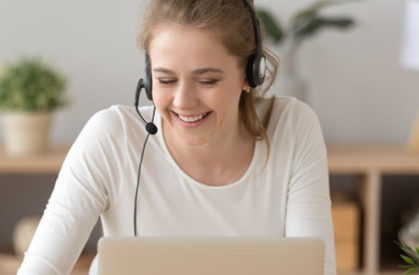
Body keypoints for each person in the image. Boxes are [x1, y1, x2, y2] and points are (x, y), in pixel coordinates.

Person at [17, 0, 337, 274]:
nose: (183, 101)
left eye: (207, 80)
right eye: (166, 79)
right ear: (147, 76)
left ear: (249, 73)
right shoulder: (111, 137)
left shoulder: (293, 128)